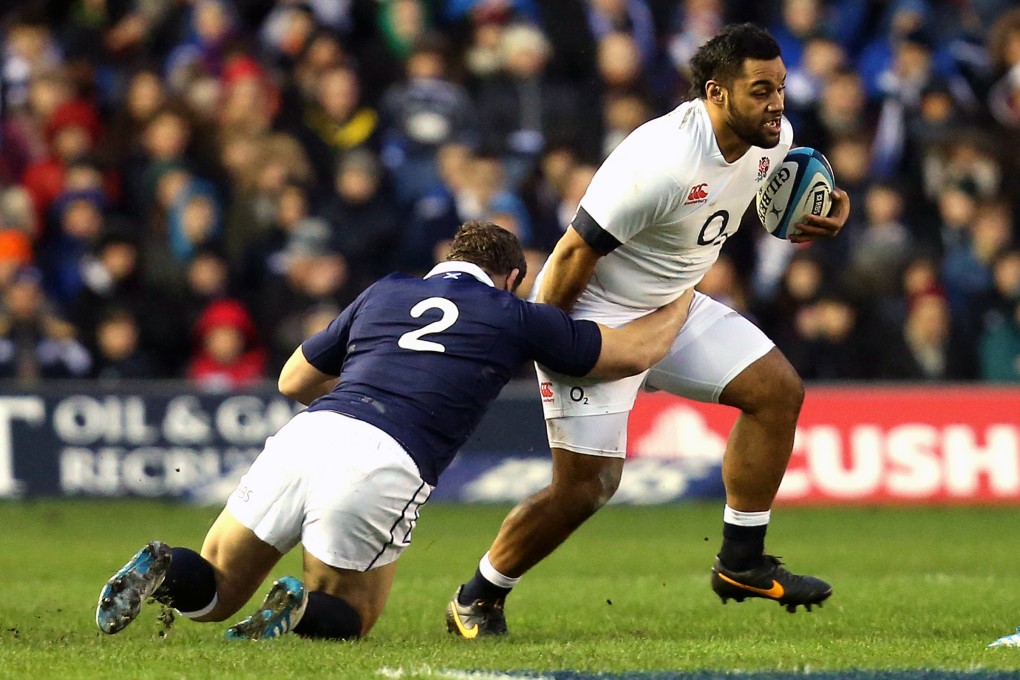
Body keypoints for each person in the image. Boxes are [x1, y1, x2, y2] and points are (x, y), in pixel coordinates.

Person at [94, 220, 693, 641]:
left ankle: (164, 565)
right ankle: (299, 610)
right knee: (352, 614)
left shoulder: (386, 290)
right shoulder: (514, 314)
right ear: (511, 276)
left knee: (216, 593)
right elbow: (629, 353)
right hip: (386, 457)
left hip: (312, 430)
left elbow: (292, 379)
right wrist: (683, 294)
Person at [446, 23, 851, 638]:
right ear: (716, 93)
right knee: (587, 488)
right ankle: (476, 597)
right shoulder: (659, 160)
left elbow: (772, 196)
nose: (777, 105)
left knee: (776, 391)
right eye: (760, 90)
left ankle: (741, 559)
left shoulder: (777, 139)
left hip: (672, 306)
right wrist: (551, 340)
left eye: (781, 88)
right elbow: (576, 253)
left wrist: (825, 209)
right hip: (592, 313)